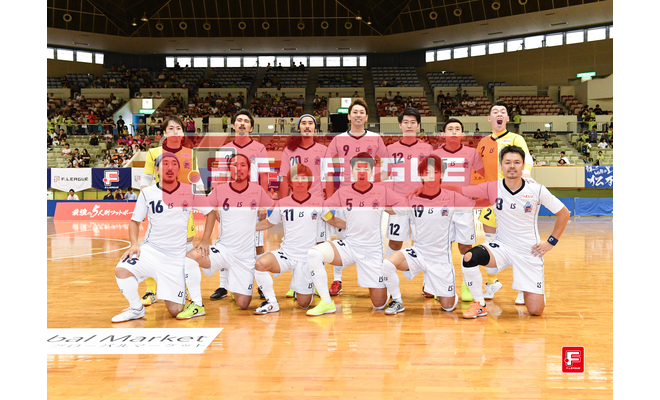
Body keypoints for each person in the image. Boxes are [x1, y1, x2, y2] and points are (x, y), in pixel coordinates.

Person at [445, 145, 570, 318]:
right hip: (502, 247)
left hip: (529, 251)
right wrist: (432, 185)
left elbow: (564, 213)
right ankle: (480, 304)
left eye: (517, 162)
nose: (512, 166)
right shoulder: (492, 187)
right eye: (508, 162)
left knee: (535, 311)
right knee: (470, 257)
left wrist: (550, 242)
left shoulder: (536, 189)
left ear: (523, 165)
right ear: (500, 166)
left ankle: (534, 290)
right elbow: (462, 190)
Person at [111, 152, 216, 322]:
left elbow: (211, 212)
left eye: (174, 164)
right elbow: (135, 222)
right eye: (165, 164)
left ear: (179, 169)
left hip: (175, 257)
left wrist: (205, 241)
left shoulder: (189, 191)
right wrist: (134, 244)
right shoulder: (147, 193)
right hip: (151, 251)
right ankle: (136, 309)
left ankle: (168, 288)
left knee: (175, 311)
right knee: (122, 270)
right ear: (157, 169)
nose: (170, 168)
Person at [381, 155, 491, 315]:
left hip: (441, 260)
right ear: (421, 174)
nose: (431, 176)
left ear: (442, 174)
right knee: (387, 264)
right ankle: (397, 300)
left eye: (436, 172)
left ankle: (442, 289)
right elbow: (392, 209)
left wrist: (499, 194)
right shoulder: (412, 198)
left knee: (448, 307)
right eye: (427, 172)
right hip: (418, 253)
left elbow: (479, 203)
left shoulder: (452, 197)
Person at [305, 153, 406, 316]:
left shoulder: (382, 191)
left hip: (372, 251)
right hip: (350, 246)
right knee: (314, 254)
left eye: (366, 169)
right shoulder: (343, 192)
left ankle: (386, 286)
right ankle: (326, 302)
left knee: (379, 304)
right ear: (351, 171)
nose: (361, 172)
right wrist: (336, 222)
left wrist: (388, 208)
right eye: (358, 168)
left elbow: (404, 205)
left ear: (372, 171)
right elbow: (323, 208)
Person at [178, 153, 275, 314]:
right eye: (234, 165)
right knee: (191, 257)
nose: (239, 168)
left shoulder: (257, 190)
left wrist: (261, 214)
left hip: (245, 257)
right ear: (229, 169)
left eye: (243, 165)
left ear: (249, 169)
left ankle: (234, 283)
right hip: (224, 250)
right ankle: (197, 304)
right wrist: (204, 240)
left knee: (243, 304)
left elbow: (275, 211)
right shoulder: (219, 190)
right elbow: (207, 210)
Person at [322, 99, 389, 295]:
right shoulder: (339, 139)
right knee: (342, 236)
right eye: (355, 112)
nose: (358, 115)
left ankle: (375, 278)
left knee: (370, 236)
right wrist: (330, 192)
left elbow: (388, 164)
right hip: (345, 195)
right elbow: (326, 162)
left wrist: (374, 182)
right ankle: (337, 279)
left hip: (369, 197)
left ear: (366, 117)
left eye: (361, 112)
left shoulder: (375, 138)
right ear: (349, 116)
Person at [139, 115, 204, 307]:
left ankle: (182, 288)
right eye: (171, 128)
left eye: (178, 128)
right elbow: (146, 179)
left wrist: (205, 200)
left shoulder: (190, 154)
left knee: (184, 249)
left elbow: (196, 180)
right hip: (160, 208)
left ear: (183, 133)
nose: (175, 132)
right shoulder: (153, 153)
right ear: (164, 133)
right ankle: (151, 290)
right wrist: (143, 205)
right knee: (152, 248)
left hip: (183, 207)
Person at [475, 101, 535, 305]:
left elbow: (527, 159)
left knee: (518, 243)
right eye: (495, 111)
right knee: (489, 242)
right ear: (489, 118)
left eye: (503, 112)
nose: (499, 114)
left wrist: (526, 174)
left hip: (512, 198)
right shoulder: (483, 142)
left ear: (507, 118)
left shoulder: (516, 139)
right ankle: (492, 282)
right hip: (490, 199)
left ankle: (522, 287)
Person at [208, 109, 271, 301]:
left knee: (257, 246)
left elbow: (264, 176)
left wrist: (263, 203)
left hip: (251, 204)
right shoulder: (225, 149)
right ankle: (223, 286)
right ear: (234, 126)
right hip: (229, 205)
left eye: (246, 121)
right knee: (226, 244)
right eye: (239, 121)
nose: (242, 123)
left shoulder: (259, 148)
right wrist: (216, 205)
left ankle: (261, 285)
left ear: (251, 127)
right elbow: (219, 178)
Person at [252, 164, 322, 314]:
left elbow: (328, 227)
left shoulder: (319, 203)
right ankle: (271, 302)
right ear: (290, 182)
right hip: (287, 253)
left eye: (304, 178)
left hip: (306, 258)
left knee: (304, 304)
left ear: (309, 182)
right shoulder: (282, 203)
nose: (300, 182)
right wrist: (248, 227)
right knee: (260, 264)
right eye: (296, 178)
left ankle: (300, 286)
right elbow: (269, 223)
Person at [279, 114, 331, 298]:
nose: (307, 126)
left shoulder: (323, 150)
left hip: (316, 204)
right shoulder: (289, 150)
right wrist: (282, 203)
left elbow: (329, 177)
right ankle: (297, 284)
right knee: (296, 245)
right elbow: (284, 178)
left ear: (315, 128)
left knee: (319, 246)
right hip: (295, 205)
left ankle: (317, 283)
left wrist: (329, 201)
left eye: (310, 123)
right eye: (304, 123)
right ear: (299, 127)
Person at [432, 118, 485, 301]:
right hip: (441, 208)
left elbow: (484, 174)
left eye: (457, 129)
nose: (454, 131)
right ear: (443, 134)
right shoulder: (435, 154)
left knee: (465, 248)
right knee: (442, 248)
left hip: (463, 207)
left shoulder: (472, 153)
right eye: (450, 129)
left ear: (462, 134)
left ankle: (467, 286)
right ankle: (441, 285)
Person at [383, 107, 433, 286]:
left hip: (421, 204)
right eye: (406, 122)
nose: (409, 125)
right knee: (395, 243)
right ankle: (386, 281)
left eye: (413, 122)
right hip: (399, 203)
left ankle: (429, 284)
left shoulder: (427, 148)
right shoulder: (390, 149)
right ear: (400, 125)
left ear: (418, 126)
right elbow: (385, 176)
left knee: (423, 243)